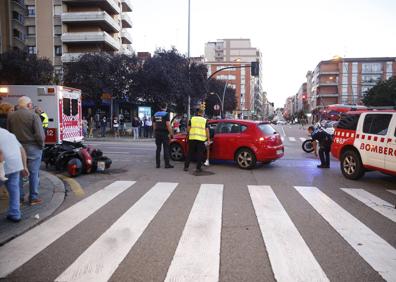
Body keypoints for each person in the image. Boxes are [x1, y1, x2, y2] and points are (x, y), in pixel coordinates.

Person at [7, 96, 45, 206]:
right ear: (28, 105)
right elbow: (39, 135)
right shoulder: (34, 116)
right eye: (31, 104)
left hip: (17, 147)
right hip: (32, 147)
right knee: (34, 173)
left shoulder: (11, 116)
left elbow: (9, 132)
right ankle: (33, 197)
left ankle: (19, 198)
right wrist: (41, 145)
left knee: (18, 173)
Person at [0, 129, 29, 222]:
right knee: (14, 189)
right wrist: (24, 167)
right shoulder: (8, 133)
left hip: (2, 164)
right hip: (15, 164)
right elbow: (22, 150)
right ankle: (15, 214)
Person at [184, 108, 210, 173]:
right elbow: (207, 130)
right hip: (201, 140)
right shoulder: (204, 120)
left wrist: (188, 135)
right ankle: (198, 168)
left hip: (192, 138)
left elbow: (188, 129)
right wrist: (208, 139)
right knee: (199, 154)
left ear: (197, 112)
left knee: (190, 153)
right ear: (202, 113)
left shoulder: (192, 119)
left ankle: (186, 167)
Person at [153, 103, 173, 169]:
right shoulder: (166, 114)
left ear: (160, 107)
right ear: (166, 107)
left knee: (158, 149)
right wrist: (171, 133)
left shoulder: (155, 114)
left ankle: (157, 164)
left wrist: (155, 133)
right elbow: (168, 125)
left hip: (157, 133)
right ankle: (167, 164)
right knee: (166, 149)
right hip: (164, 133)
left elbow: (154, 125)